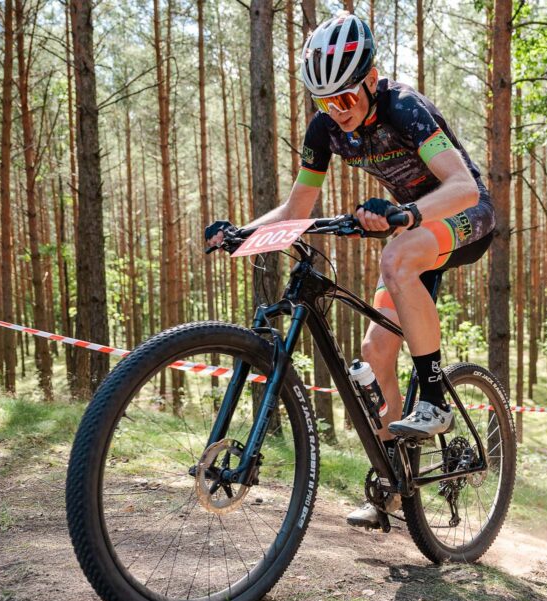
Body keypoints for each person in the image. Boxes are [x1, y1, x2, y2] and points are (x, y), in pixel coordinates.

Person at [206, 12, 496, 528]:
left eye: (346, 98)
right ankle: (393, 485)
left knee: (395, 256)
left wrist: (406, 213)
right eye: (326, 102)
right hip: (413, 225)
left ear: (371, 78)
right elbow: (296, 209)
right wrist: (242, 234)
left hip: (465, 215)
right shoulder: (325, 130)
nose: (337, 111)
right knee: (375, 352)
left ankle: (434, 398)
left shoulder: (403, 108)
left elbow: (463, 186)